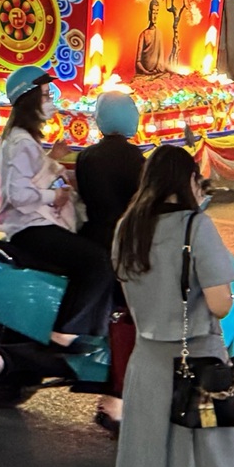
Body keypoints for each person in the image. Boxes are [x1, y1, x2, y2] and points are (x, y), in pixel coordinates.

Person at [106, 144, 234, 467]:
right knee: (214, 462)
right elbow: (221, 303)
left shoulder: (128, 227)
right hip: (198, 365)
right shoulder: (196, 225)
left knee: (150, 462)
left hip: (147, 365)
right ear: (189, 179)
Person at [0, 66, 112, 347]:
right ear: (29, 100)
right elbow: (19, 193)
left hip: (37, 223)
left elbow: (31, 176)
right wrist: (52, 197)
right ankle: (65, 330)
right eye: (45, 95)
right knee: (98, 262)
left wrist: (54, 161)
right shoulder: (21, 142)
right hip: (32, 228)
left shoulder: (23, 139)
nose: (49, 100)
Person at [75, 90, 145, 435]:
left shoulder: (87, 156)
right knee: (127, 318)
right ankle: (115, 399)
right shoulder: (136, 158)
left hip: (93, 238)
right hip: (124, 246)